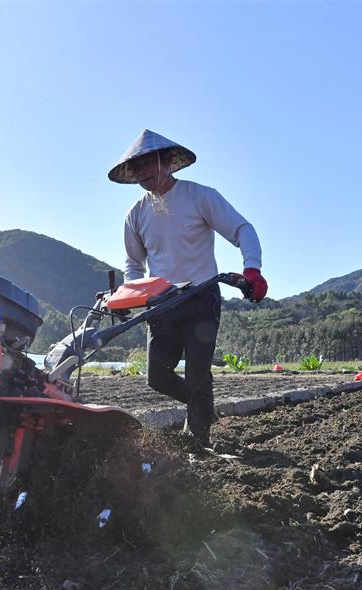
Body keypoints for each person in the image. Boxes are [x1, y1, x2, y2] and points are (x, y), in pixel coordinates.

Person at [108, 129, 268, 449]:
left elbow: (242, 228)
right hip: (162, 303)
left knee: (197, 374)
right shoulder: (136, 214)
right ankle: (203, 407)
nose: (141, 173)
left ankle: (199, 441)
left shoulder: (200, 196)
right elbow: (133, 265)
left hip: (201, 297)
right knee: (158, 378)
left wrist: (252, 269)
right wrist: (127, 293)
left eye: (146, 164)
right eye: (135, 168)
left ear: (167, 161)